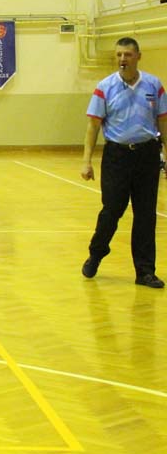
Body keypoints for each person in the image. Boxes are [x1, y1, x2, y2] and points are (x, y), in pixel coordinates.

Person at [81, 36, 167, 289]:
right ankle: (97, 253)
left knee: (145, 214)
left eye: (127, 55)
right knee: (112, 210)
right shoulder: (105, 87)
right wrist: (86, 161)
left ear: (138, 57)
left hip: (147, 156)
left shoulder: (154, 85)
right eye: (119, 55)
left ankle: (145, 271)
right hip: (116, 157)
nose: (122, 59)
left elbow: (163, 123)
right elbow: (93, 126)